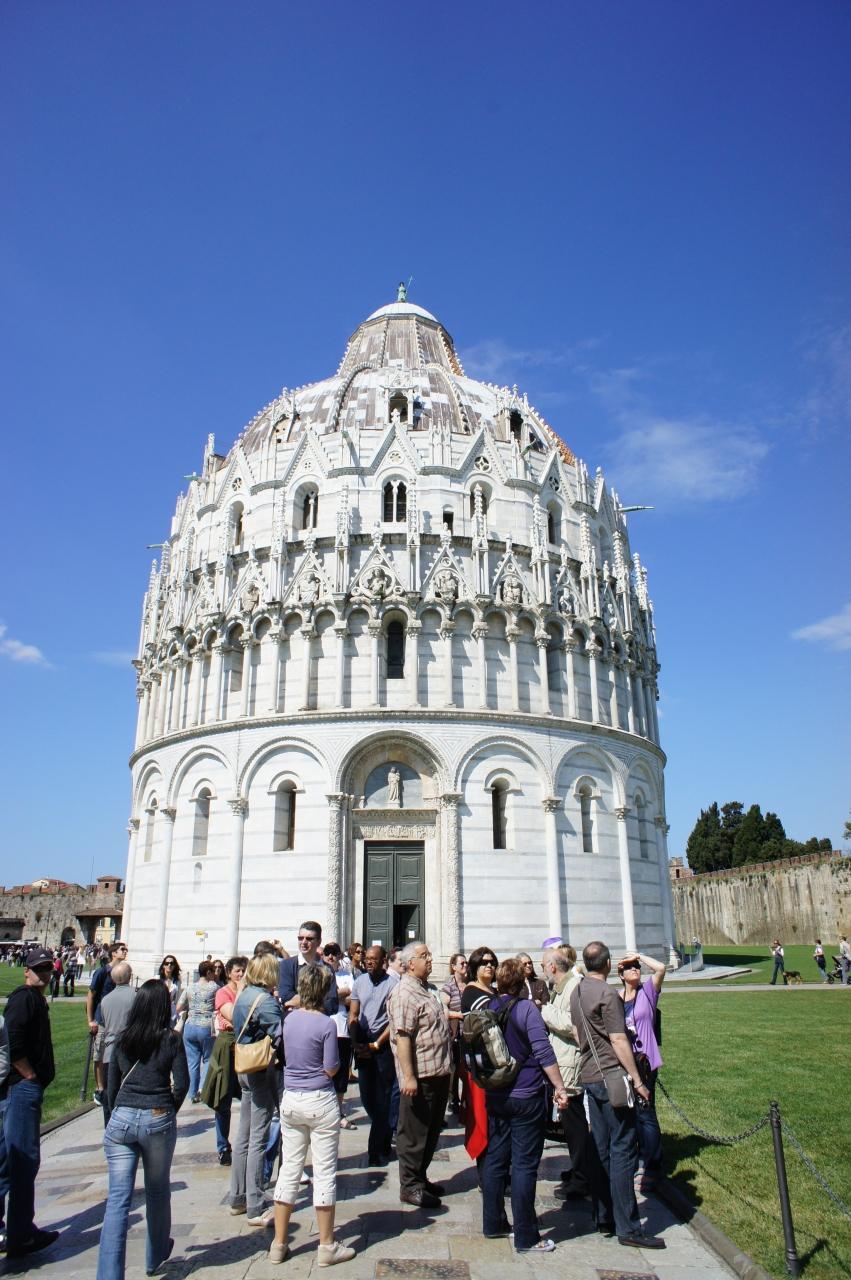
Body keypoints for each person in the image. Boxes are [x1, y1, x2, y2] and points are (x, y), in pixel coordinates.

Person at [570, 941, 664, 1251]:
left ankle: (604, 1217)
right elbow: (619, 1039)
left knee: (600, 1148)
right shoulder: (608, 993)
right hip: (612, 1077)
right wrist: (637, 1080)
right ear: (608, 964)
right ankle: (629, 1227)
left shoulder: (576, 992)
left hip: (589, 1075)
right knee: (623, 1150)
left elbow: (577, 1033)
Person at [97, 979, 189, 1280]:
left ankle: (109, 1275)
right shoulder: (171, 1039)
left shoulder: (123, 1039)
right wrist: (168, 1109)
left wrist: (117, 1112)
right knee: (158, 1189)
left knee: (117, 1200)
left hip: (121, 1117)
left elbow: (111, 1086)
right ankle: (155, 1256)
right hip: (157, 1115)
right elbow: (182, 1084)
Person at [268, 965, 356, 1267]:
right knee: (324, 1172)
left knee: (289, 1170)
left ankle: (278, 1244)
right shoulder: (326, 1024)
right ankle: (326, 1245)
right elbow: (331, 1067)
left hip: (291, 1099)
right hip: (320, 1101)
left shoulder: (289, 1020)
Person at [481, 957, 567, 1253]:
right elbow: (543, 1051)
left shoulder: (489, 1007)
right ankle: (527, 1236)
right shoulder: (526, 1009)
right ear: (521, 983)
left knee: (495, 1159)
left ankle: (493, 1223)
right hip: (526, 1095)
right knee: (524, 1165)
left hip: (496, 1095)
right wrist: (559, 1086)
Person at [0, 947, 59, 1259]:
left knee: (8, 1160)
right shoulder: (24, 998)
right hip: (22, 1089)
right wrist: (29, 1074)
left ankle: (13, 1229)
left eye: (48, 968)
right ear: (27, 971)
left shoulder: (34, 999)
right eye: (39, 969)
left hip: (21, 1089)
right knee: (24, 1161)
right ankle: (21, 1234)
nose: (44, 974)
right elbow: (13, 1039)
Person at [387, 941, 452, 1208]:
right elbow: (403, 1038)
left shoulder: (425, 989)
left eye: (429, 954)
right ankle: (410, 1186)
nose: (430, 959)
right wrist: (409, 1077)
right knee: (414, 1133)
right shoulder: (404, 993)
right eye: (423, 956)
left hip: (437, 1071)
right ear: (409, 963)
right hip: (421, 1075)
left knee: (431, 1130)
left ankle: (420, 1178)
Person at [229, 952, 283, 1226]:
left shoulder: (244, 995)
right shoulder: (265, 1000)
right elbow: (280, 1036)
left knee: (243, 1135)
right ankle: (255, 1204)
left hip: (244, 1067)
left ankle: (238, 1197)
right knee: (259, 1137)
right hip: (260, 1070)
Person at [540, 945, 589, 1200]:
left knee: (574, 1122)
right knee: (571, 1122)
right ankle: (579, 1169)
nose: (542, 971)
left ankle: (582, 1179)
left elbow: (574, 1024)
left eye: (542, 966)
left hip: (571, 1062)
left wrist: (544, 1011)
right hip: (565, 1059)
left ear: (552, 966)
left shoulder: (574, 987)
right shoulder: (563, 986)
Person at [617, 952, 666, 1191]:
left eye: (636, 966)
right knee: (633, 1114)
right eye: (629, 967)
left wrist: (639, 955)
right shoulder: (617, 998)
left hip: (646, 1062)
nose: (634, 969)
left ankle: (652, 1168)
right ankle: (639, 1159)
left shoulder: (648, 992)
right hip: (627, 1062)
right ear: (621, 975)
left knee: (646, 1114)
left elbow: (661, 969)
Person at [349, 945, 397, 1165]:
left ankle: (374, 1151)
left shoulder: (393, 984)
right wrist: (355, 1042)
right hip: (363, 1040)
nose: (368, 962)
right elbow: (354, 1014)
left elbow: (394, 1020)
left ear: (383, 960)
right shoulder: (359, 982)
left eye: (373, 959)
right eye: (367, 958)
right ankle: (384, 1136)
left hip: (383, 1044)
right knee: (367, 1097)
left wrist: (377, 1044)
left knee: (384, 1096)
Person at [459, 947, 498, 1184]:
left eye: (492, 962)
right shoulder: (471, 993)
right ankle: (487, 1177)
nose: (489, 965)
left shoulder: (494, 991)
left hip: (497, 1069)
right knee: (483, 1122)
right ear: (474, 967)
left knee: (495, 1123)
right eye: (484, 962)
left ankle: (497, 1173)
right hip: (481, 1069)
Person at [209, 955, 248, 1165]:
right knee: (222, 1099)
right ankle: (223, 1146)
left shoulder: (249, 991)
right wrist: (241, 991)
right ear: (229, 973)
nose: (241, 974)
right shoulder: (222, 993)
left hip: (246, 1047)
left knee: (248, 1097)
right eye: (237, 971)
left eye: (243, 971)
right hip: (227, 1046)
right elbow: (234, 1016)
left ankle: (246, 1143)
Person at [87, 941, 130, 1105]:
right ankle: (100, 1088)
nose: (125, 951)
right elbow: (91, 995)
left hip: (118, 1020)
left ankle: (115, 1085)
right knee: (99, 1054)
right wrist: (91, 1020)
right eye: (122, 949)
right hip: (101, 1019)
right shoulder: (102, 972)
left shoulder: (124, 972)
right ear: (113, 953)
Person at [322, 943, 357, 1129]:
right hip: (321, 1028)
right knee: (323, 1070)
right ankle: (324, 1112)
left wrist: (330, 995)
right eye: (327, 953)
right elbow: (320, 997)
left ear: (339, 956)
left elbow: (352, 998)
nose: (330, 956)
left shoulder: (346, 975)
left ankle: (339, 1112)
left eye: (334, 953)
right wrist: (340, 994)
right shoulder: (319, 975)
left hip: (342, 1029)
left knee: (341, 1071)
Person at [176, 959, 218, 1103]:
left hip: (190, 1026)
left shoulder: (190, 987)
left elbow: (178, 1007)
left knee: (192, 1062)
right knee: (208, 1059)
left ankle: (192, 1092)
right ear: (208, 972)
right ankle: (202, 1089)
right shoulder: (214, 987)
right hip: (206, 1026)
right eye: (213, 972)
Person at [100, 963, 136, 1123]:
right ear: (130, 976)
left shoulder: (105, 1000)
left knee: (110, 1091)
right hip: (130, 1050)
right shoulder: (136, 996)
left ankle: (110, 1124)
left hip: (109, 1051)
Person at [278, 922, 339, 1018]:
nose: (304, 942)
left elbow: (332, 1003)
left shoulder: (328, 969)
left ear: (319, 941)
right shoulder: (286, 965)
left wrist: (296, 1002)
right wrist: (318, 1002)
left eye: (309, 939)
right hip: (294, 1021)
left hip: (320, 1022)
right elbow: (285, 995)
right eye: (300, 938)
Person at [440, 953, 467, 1112]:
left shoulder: (470, 984)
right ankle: (453, 1099)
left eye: (466, 963)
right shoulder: (448, 986)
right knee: (455, 1067)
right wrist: (458, 1015)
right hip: (456, 1033)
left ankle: (467, 1099)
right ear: (453, 966)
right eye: (461, 963)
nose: (465, 965)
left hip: (470, 1032)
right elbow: (442, 1010)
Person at [158, 956, 182, 1025]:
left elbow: (178, 999)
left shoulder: (177, 981)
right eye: (167, 963)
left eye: (172, 963)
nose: (169, 965)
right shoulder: (157, 979)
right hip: (159, 1010)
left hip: (172, 1012)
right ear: (163, 965)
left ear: (175, 966)